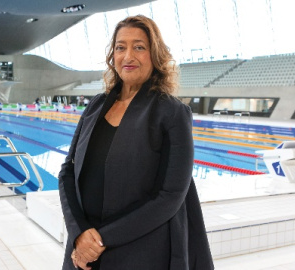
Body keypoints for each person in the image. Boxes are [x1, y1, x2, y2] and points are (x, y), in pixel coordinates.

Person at [58, 15, 213, 270]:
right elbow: (67, 171)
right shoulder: (96, 105)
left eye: (139, 47)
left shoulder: (171, 113)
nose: (128, 56)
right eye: (121, 47)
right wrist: (79, 233)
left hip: (140, 251)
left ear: (155, 55)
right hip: (84, 249)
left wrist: (100, 241)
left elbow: (170, 196)